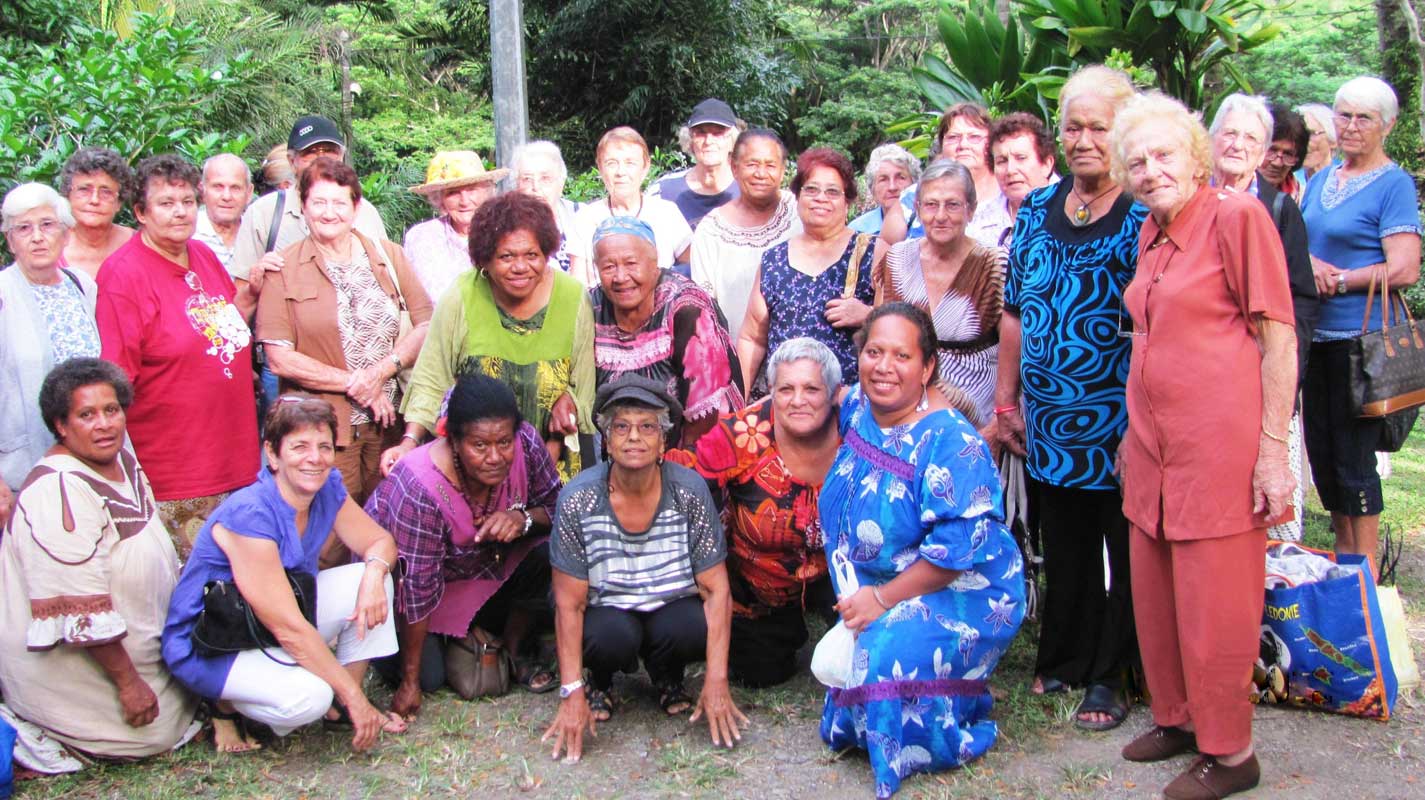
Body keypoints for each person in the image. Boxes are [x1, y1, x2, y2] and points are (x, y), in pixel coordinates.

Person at [1112, 91, 1299, 800]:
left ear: (1194, 157)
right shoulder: (1149, 230)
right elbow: (1149, 338)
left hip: (1218, 444)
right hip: (1152, 447)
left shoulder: (1237, 217)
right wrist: (1130, 433)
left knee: (1215, 601)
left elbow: (1278, 337)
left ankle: (1231, 752)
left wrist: (1273, 450)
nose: (1150, 170)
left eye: (1163, 155)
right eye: (1137, 162)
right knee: (1158, 591)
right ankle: (1179, 718)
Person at [818, 303, 1026, 799]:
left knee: (883, 658)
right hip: (886, 580)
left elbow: (953, 556)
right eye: (873, 352)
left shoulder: (951, 443)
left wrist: (881, 600)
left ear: (928, 366)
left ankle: (937, 730)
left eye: (901, 355)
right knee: (851, 658)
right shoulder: (858, 408)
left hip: (964, 587)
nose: (883, 367)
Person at [993, 64, 1145, 729]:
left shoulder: (1142, 213)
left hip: (1120, 415)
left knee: (1125, 549)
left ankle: (1113, 675)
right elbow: (1014, 312)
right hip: (1049, 416)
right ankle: (1065, 656)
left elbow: (1153, 323)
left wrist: (1143, 420)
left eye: (1099, 127)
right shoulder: (1035, 208)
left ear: (1125, 132)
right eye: (1073, 127)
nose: (1084, 140)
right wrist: (1006, 401)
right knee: (1065, 542)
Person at [162, 396, 406, 754]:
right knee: (309, 698)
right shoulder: (251, 514)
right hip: (214, 640)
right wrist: (355, 696)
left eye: (324, 446)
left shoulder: (327, 487)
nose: (315, 458)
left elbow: (380, 542)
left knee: (374, 577)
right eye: (300, 447)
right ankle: (224, 705)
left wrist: (373, 575)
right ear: (273, 455)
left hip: (274, 620)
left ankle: (341, 709)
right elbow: (288, 628)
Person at [0, 359, 198, 760]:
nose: (104, 424)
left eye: (112, 410)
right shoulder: (57, 489)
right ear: (60, 424)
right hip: (81, 668)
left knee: (188, 703)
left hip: (144, 648)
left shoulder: (121, 460)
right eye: (86, 415)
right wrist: (129, 684)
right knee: (152, 735)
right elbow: (77, 606)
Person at [541, 375, 746, 762]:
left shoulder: (689, 491)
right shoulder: (578, 499)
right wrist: (571, 691)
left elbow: (716, 590)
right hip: (606, 610)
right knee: (609, 636)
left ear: (663, 441)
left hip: (669, 605)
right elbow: (569, 604)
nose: (634, 437)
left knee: (693, 625)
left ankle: (667, 671)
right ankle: (599, 680)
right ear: (607, 441)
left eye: (647, 427)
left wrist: (717, 678)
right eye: (621, 427)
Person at [366, 374, 561, 716]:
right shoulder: (420, 486)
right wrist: (409, 683)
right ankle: (405, 646)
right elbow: (417, 584)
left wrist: (522, 519)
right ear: (453, 440)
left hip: (482, 570)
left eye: (504, 442)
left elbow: (558, 506)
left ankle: (512, 645)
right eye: (479, 446)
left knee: (553, 552)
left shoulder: (527, 443)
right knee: (429, 678)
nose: (495, 456)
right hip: (408, 589)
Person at [96, 154, 260, 557]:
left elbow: (224, 327)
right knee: (193, 586)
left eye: (187, 201)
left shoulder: (202, 256)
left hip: (237, 459)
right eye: (166, 203)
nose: (180, 212)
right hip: (177, 473)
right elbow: (116, 380)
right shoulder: (124, 275)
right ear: (140, 212)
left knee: (241, 586)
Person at [255, 156, 433, 505]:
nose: (329, 213)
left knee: (389, 517)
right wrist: (357, 384)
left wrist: (380, 373)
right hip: (321, 430)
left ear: (356, 208)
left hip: (390, 423)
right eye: (318, 202)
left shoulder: (389, 256)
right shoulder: (283, 268)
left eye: (339, 203)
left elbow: (426, 324)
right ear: (303, 207)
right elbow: (278, 358)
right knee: (330, 525)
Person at [664, 337, 841, 687]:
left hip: (841, 576)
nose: (798, 400)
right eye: (786, 389)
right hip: (760, 588)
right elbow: (682, 474)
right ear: (771, 391)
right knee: (761, 672)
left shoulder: (858, 431)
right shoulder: (742, 433)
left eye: (812, 389)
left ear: (835, 394)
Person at [387, 192, 594, 481]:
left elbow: (584, 386)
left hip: (554, 465)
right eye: (506, 257)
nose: (520, 267)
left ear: (546, 253)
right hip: (475, 469)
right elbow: (432, 378)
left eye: (532, 255)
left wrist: (568, 402)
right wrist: (408, 442)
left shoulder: (573, 298)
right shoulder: (462, 296)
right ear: (484, 259)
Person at [1301, 76, 1422, 569]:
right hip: (1315, 340)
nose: (1350, 126)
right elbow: (1297, 243)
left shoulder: (1394, 184)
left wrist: (1340, 280)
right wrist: (1308, 265)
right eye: (1344, 114)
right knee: (1325, 460)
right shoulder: (1322, 178)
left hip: (1362, 347)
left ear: (1386, 126)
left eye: (1364, 117)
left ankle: (1363, 578)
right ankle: (1343, 570)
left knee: (1353, 462)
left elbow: (1405, 268)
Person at [1208, 94, 1321, 542]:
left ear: (1263, 152)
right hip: (1203, 388)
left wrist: (1286, 376)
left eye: (1251, 139)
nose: (1238, 145)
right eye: (1230, 133)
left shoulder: (1278, 210)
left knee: (1268, 516)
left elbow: (1301, 301)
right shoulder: (1186, 201)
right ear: (1211, 138)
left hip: (1261, 381)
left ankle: (1274, 585)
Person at [590, 216, 745, 446]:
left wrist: (678, 463)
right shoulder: (591, 307)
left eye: (631, 263)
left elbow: (705, 421)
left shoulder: (687, 310)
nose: (620, 277)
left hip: (694, 445)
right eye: (609, 267)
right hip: (621, 448)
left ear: (654, 263)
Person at [875, 161, 1005, 429]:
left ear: (971, 209)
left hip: (974, 411)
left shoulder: (995, 264)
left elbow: (1016, 351)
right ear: (918, 209)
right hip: (903, 401)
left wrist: (1000, 420)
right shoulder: (897, 259)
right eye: (931, 205)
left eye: (953, 205)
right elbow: (880, 337)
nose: (941, 215)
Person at [739, 147, 875, 392]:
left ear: (847, 202)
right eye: (811, 189)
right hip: (787, 401)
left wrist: (868, 314)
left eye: (832, 192)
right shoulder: (774, 260)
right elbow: (752, 339)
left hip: (850, 402)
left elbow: (903, 326)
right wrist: (740, 399)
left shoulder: (873, 252)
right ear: (798, 197)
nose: (821, 198)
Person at [1, 183, 101, 503]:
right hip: (21, 467)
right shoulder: (3, 293)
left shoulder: (81, 285)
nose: (37, 237)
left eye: (47, 225)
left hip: (87, 461)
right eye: (23, 228)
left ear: (66, 234)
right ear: (10, 241)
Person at [229, 115, 388, 287]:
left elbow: (388, 277)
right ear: (292, 161)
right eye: (310, 152)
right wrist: (257, 281)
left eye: (329, 150)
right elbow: (241, 289)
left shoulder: (365, 212)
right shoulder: (263, 213)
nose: (321, 159)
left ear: (341, 157)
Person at [689, 129, 799, 338]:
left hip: (798, 351)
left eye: (770, 165)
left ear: (783, 170)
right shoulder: (712, 230)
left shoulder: (801, 212)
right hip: (734, 350)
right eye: (752, 164)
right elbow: (703, 306)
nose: (761, 174)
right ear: (734, 168)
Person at [567, 127, 693, 285]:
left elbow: (694, 266)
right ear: (600, 168)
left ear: (645, 167)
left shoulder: (666, 213)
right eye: (611, 163)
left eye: (630, 163)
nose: (621, 172)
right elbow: (578, 285)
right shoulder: (585, 219)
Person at [882, 103, 1008, 248]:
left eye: (974, 137)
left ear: (991, 143)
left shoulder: (1009, 195)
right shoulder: (912, 197)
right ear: (942, 145)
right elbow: (884, 251)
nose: (963, 145)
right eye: (953, 137)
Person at [403, 150, 507, 301]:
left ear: (487, 192)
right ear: (440, 199)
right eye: (453, 192)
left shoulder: (507, 232)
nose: (464, 201)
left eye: (471, 190)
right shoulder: (421, 237)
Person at [649, 98, 743, 230]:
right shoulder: (663, 191)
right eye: (701, 133)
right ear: (690, 140)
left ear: (733, 140)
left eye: (718, 133)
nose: (708, 141)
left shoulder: (750, 189)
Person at [57, 146, 136, 279]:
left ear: (119, 202)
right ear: (68, 195)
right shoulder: (48, 249)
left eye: (106, 192)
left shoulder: (140, 245)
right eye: (84, 189)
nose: (94, 200)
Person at [988, 113, 1059, 248]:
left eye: (1021, 158)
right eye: (1001, 161)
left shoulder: (1071, 212)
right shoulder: (978, 221)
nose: (1010, 170)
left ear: (1046, 164)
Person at [513, 140, 582, 272]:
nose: (536, 187)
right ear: (517, 185)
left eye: (545, 178)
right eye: (527, 179)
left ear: (561, 184)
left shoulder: (582, 215)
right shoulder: (507, 226)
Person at [193, 154, 254, 271]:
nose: (227, 196)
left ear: (249, 193)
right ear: (202, 190)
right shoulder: (187, 233)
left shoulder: (259, 234)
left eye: (235, 188)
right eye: (218, 187)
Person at [849, 143, 921, 236]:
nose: (892, 187)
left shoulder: (928, 225)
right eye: (883, 179)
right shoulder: (857, 231)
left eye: (900, 178)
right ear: (872, 188)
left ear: (914, 183)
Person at [1257, 104, 1310, 204]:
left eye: (1288, 154)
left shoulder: (1304, 200)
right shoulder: (1232, 189)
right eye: (1271, 150)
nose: (1277, 163)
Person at [1296, 103, 1339, 185]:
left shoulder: (1348, 180)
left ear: (1333, 141)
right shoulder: (1290, 180)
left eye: (1311, 133)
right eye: (1299, 134)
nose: (1302, 141)